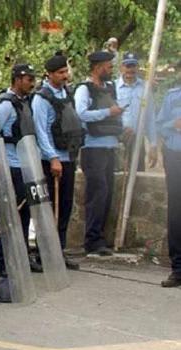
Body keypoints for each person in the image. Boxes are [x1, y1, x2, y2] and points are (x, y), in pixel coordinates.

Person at [31, 52, 81, 270]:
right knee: (49, 209)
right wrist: (52, 158)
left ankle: (58, 251)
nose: (65, 76)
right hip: (51, 160)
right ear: (49, 74)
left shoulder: (67, 94)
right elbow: (40, 131)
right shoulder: (42, 98)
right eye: (60, 72)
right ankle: (45, 254)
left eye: (65, 71)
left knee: (65, 207)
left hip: (68, 157)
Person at [0, 63, 43, 274]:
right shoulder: (4, 105)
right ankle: (1, 262)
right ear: (17, 79)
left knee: (24, 216)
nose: (32, 83)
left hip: (25, 166)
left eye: (33, 79)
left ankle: (19, 258)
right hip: (10, 167)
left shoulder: (25, 103)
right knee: (7, 217)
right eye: (28, 79)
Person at [75, 51, 124, 257]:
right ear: (97, 67)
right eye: (108, 66)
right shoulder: (84, 89)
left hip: (110, 146)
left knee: (107, 193)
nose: (111, 70)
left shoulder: (109, 88)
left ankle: (99, 238)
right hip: (92, 148)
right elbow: (81, 113)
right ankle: (92, 240)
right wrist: (108, 113)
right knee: (98, 193)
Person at [116, 52, 158, 172]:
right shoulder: (112, 88)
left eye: (133, 66)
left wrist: (153, 144)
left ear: (138, 67)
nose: (130, 69)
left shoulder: (145, 89)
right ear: (121, 67)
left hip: (137, 141)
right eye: (127, 66)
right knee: (116, 179)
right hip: (117, 140)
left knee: (137, 177)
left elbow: (150, 118)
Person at [157, 80, 181, 287]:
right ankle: (178, 269)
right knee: (176, 214)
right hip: (175, 157)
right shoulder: (172, 96)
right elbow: (159, 125)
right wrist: (173, 125)